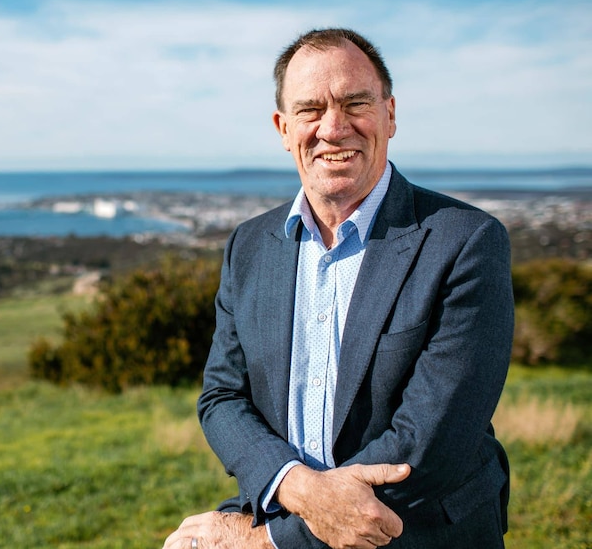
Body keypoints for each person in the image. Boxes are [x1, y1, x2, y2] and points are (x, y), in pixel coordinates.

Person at [163, 28, 514, 549]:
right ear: (284, 128)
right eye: (310, 110)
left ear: (390, 115)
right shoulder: (250, 245)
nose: (333, 127)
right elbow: (222, 396)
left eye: (355, 103)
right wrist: (297, 486)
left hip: (414, 533)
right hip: (280, 507)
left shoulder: (467, 241)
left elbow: (433, 442)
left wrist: (268, 542)